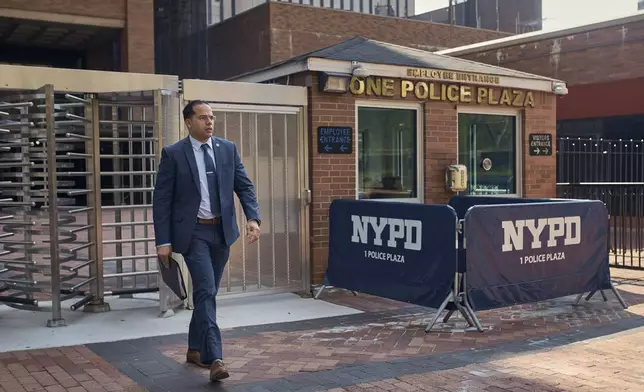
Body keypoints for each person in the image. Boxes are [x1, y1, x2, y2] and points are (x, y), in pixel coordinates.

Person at [152, 100, 261, 382]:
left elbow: (244, 186)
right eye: (203, 118)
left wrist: (253, 218)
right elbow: (161, 200)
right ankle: (215, 358)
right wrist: (162, 240)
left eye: (212, 117)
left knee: (205, 293)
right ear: (189, 122)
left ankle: (193, 348)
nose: (209, 122)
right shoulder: (174, 154)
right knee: (206, 289)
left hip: (222, 232)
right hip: (193, 233)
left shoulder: (227, 149)